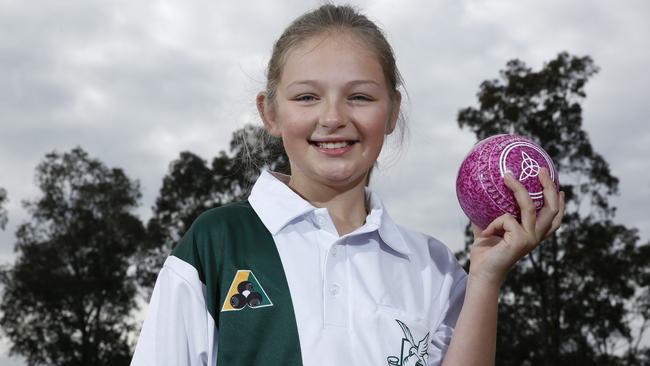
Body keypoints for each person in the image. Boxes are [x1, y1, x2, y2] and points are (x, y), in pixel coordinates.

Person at [131, 4, 565, 366]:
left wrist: (486, 278)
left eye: (360, 96)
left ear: (392, 111)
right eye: (306, 97)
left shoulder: (433, 267)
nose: (334, 117)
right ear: (270, 113)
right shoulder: (217, 242)